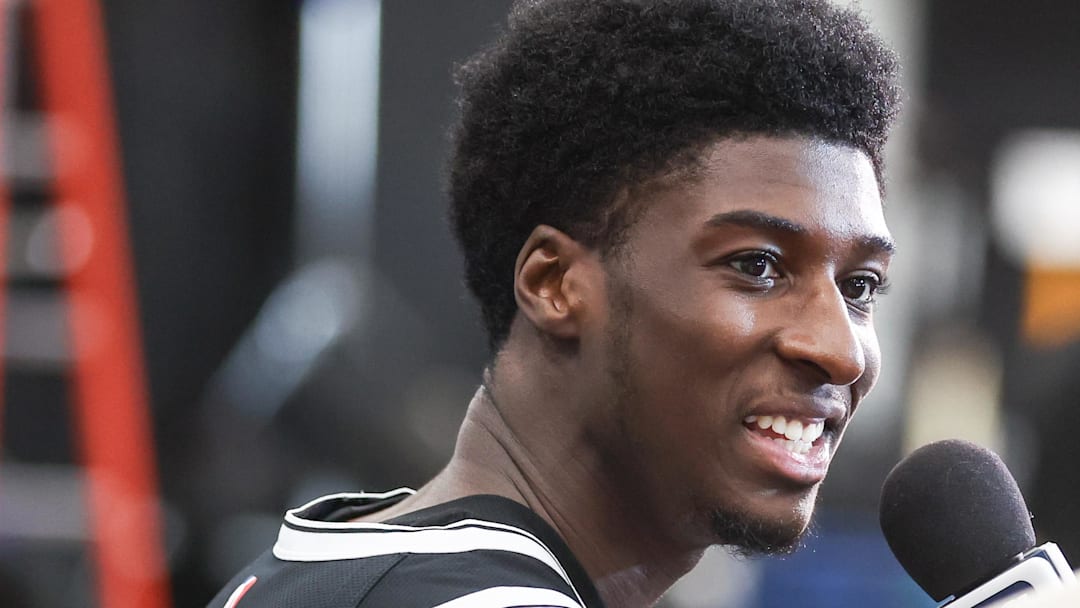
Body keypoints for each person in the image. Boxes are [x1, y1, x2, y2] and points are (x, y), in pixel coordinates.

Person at [209, 0, 902, 606]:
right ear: (554, 285)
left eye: (860, 286)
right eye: (757, 266)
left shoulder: (300, 572)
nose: (839, 351)